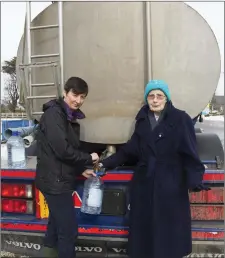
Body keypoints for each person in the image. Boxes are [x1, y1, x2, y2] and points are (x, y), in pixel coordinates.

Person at [96, 80, 210, 258]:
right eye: (151, 96)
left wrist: (194, 179)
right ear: (146, 99)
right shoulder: (142, 121)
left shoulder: (181, 119)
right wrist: (105, 163)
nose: (155, 100)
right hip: (145, 184)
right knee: (145, 237)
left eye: (159, 96)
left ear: (166, 98)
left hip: (170, 184)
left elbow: (190, 152)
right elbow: (130, 150)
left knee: (168, 237)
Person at [35, 77, 99, 258]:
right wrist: (89, 158)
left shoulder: (66, 115)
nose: (78, 100)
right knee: (68, 232)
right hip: (55, 182)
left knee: (56, 226)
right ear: (65, 93)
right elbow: (62, 150)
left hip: (58, 178)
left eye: (82, 97)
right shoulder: (54, 115)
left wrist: (81, 169)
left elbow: (62, 152)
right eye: (75, 94)